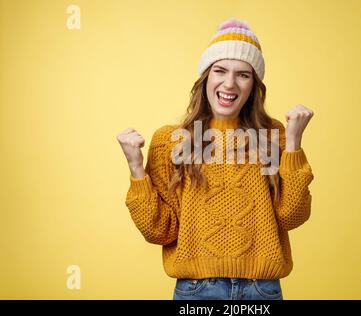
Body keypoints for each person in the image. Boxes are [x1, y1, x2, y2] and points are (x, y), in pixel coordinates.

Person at [117, 18, 314, 300]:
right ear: (206, 77)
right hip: (196, 290)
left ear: (253, 85)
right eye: (220, 70)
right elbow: (160, 231)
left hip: (261, 290)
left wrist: (294, 144)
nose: (229, 83)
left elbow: (291, 216)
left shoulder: (273, 135)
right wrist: (136, 168)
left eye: (243, 74)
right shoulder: (171, 140)